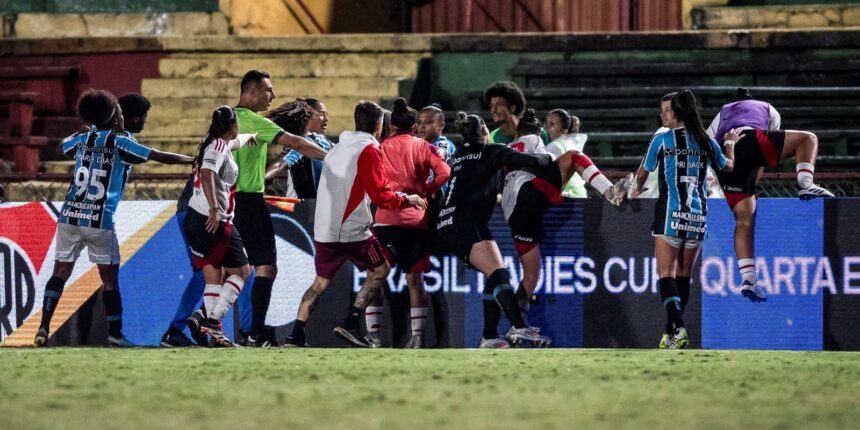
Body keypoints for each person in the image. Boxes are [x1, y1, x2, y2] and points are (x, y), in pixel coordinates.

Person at [34, 89, 194, 347]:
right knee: (109, 280)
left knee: (60, 272)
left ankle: (43, 326)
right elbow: (160, 157)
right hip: (100, 219)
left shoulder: (82, 138)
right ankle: (115, 334)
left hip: (70, 215)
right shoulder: (121, 141)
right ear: (115, 115)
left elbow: (61, 148)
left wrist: (79, 132)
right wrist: (195, 160)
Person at [284, 101, 427, 348]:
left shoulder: (340, 146)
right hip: (350, 229)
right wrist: (409, 199)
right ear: (380, 125)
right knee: (380, 271)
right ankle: (351, 323)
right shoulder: (369, 150)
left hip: (324, 227)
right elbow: (382, 196)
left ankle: (295, 335)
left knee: (320, 281)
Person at [501, 109, 629, 333]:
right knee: (573, 157)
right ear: (537, 130)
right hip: (530, 194)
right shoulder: (532, 139)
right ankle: (610, 192)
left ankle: (517, 326)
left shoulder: (507, 149)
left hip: (513, 214)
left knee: (531, 274)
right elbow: (545, 161)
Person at [435, 112, 554, 348]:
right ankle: (519, 327)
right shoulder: (493, 150)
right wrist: (552, 156)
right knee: (499, 273)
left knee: (495, 274)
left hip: (446, 222)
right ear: (484, 132)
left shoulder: (457, 155)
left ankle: (490, 336)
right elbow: (534, 161)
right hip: (466, 222)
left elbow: (469, 182)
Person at [705, 87, 834, 303]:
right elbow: (765, 151)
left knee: (743, 221)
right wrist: (753, 183)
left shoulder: (723, 111)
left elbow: (707, 143)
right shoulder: (766, 108)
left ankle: (749, 279)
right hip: (751, 140)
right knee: (808, 139)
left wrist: (719, 180)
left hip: (726, 158)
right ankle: (805, 183)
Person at [629, 90, 735, 350]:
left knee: (666, 275)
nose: (662, 114)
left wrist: (634, 190)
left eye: (666, 110)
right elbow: (728, 166)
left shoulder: (662, 140)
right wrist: (730, 145)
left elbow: (642, 174)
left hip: (670, 214)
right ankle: (671, 334)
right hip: (697, 216)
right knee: (684, 277)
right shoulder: (706, 141)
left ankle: (678, 327)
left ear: (677, 112)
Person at [229, 70, 328, 347]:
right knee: (266, 267)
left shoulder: (229, 119)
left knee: (234, 269)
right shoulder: (253, 120)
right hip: (247, 201)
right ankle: (256, 333)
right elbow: (296, 143)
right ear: (251, 92)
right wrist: (332, 156)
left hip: (225, 200)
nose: (272, 95)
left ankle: (233, 327)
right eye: (268, 90)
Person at [368, 97, 450, 348]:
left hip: (384, 219)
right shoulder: (424, 147)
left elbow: (371, 181)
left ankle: (373, 336)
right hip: (416, 221)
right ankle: (417, 337)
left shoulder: (379, 147)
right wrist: (426, 190)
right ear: (413, 126)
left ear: (392, 126)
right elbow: (445, 172)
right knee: (415, 279)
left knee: (375, 277)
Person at [183, 106, 256, 347]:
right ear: (233, 126)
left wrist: (251, 137)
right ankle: (213, 321)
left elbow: (236, 143)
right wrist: (215, 208)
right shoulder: (217, 147)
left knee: (213, 277)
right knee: (243, 271)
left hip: (194, 218)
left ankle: (213, 332)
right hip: (213, 219)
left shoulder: (214, 143)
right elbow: (206, 173)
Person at [264, 98, 334, 198]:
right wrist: (264, 179)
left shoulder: (327, 142)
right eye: (322, 114)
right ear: (309, 114)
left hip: (321, 207)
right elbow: (279, 165)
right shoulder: (301, 144)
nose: (326, 119)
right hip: (300, 208)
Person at [484, 81, 549, 144]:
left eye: (500, 104)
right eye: (492, 105)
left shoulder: (538, 133)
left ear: (512, 108)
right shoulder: (491, 139)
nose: (493, 110)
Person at [544, 109, 587, 198]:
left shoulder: (554, 146)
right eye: (546, 122)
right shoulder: (572, 143)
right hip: (580, 195)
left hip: (566, 198)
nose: (545, 127)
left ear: (564, 130)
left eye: (552, 124)